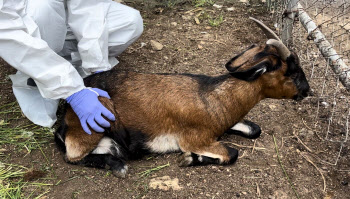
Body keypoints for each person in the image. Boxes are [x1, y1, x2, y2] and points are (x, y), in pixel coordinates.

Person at [0, 0, 143, 134]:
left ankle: (72, 70)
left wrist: (96, 64)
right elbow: (6, 30)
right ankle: (42, 75)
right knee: (43, 6)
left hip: (60, 18)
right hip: (25, 22)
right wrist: (72, 91)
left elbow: (86, 7)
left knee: (130, 21)